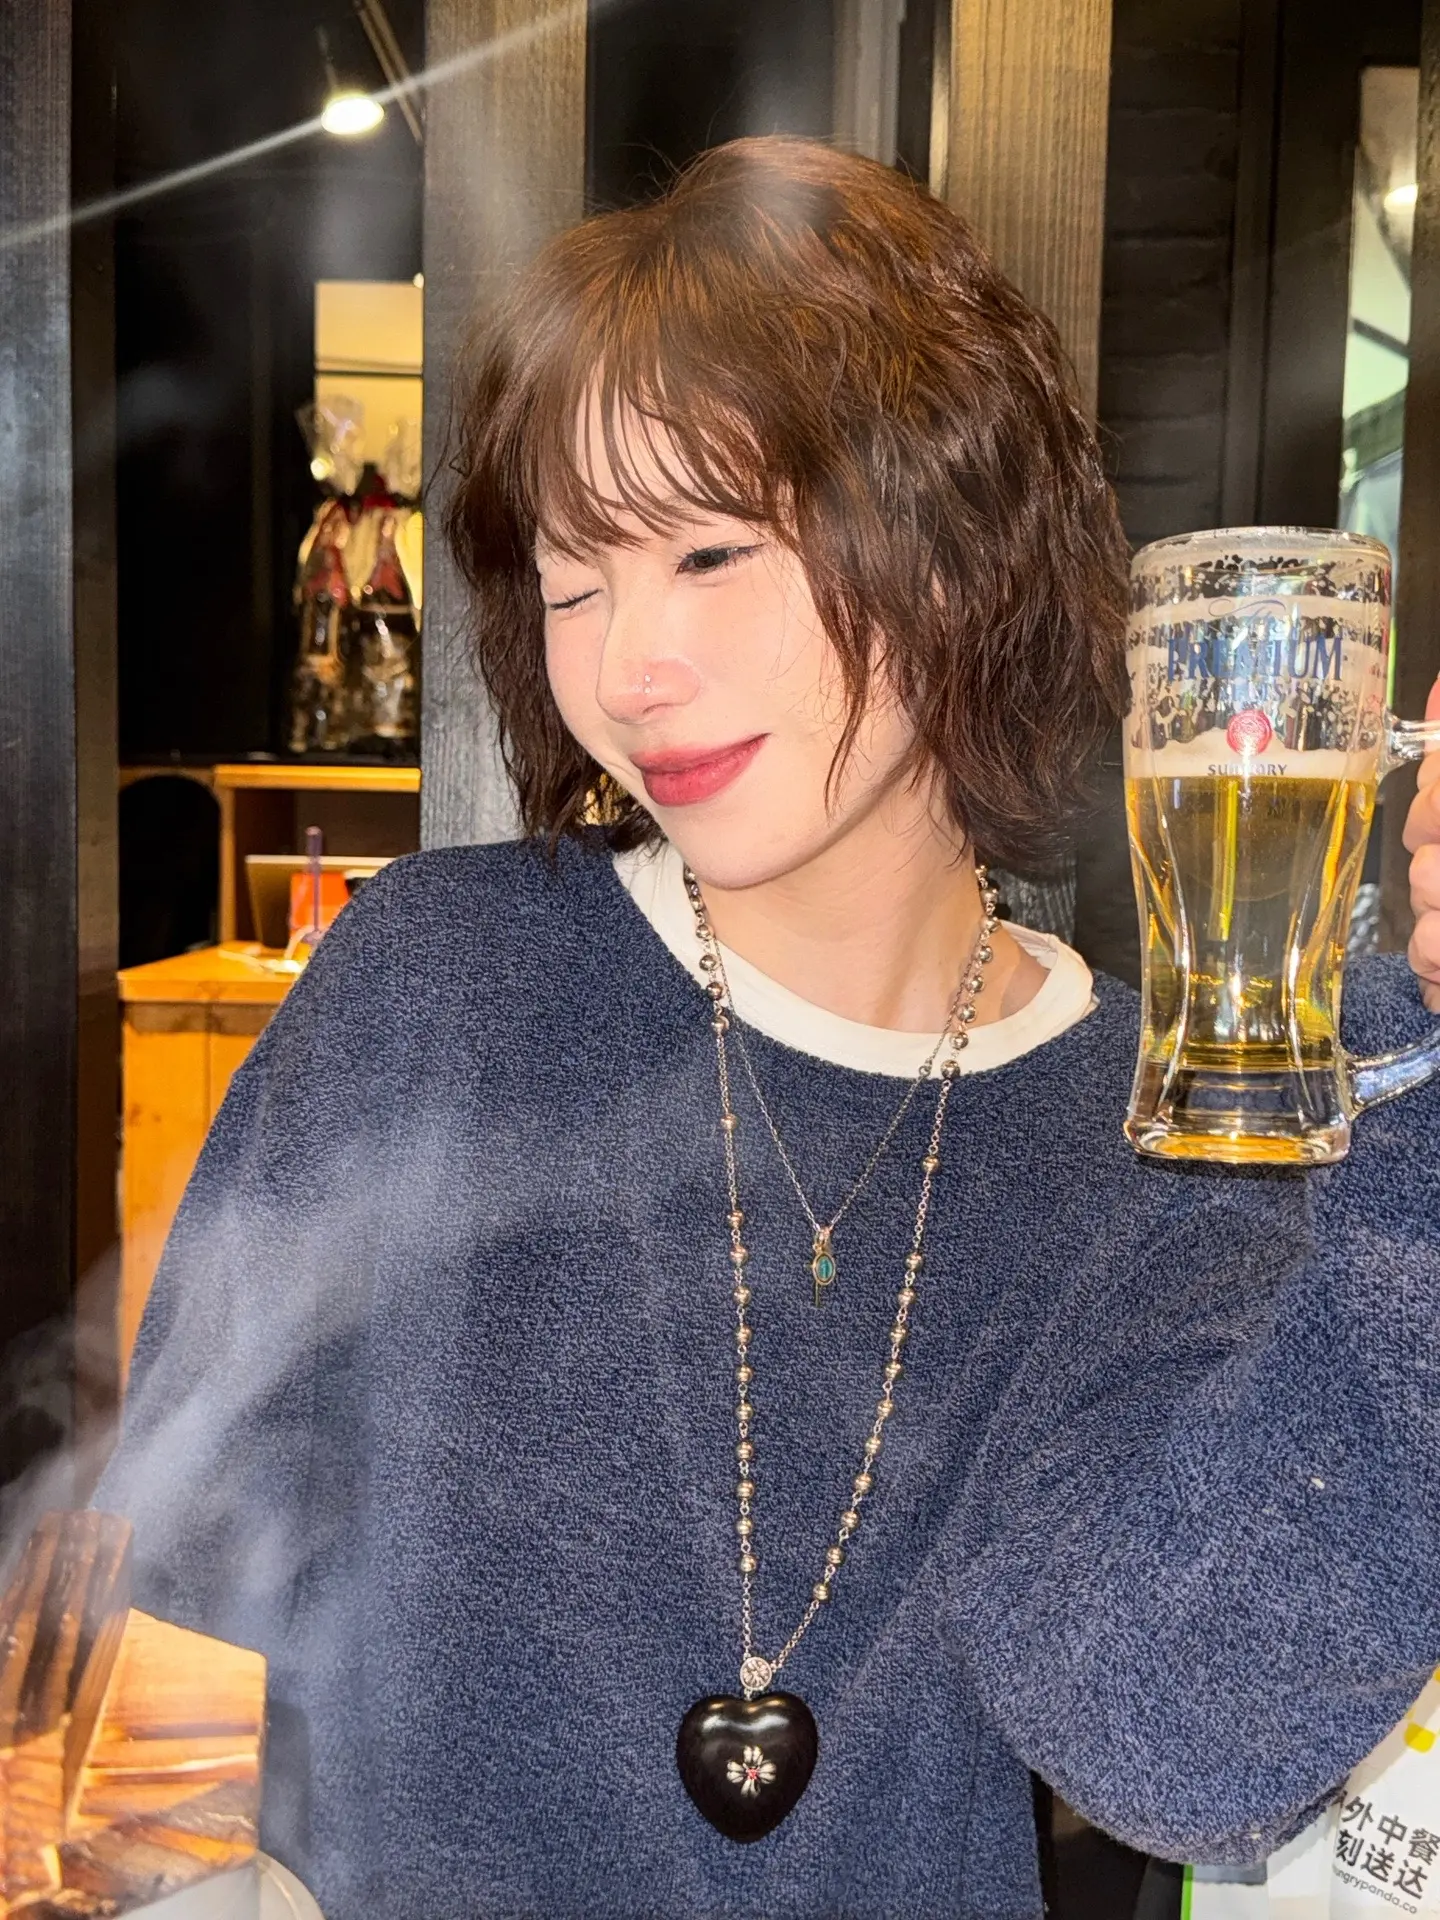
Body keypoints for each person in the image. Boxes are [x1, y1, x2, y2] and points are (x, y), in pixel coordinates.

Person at [99, 138, 1440, 1920]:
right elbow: (174, 1593)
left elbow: (1176, 1742)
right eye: (574, 583)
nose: (626, 667)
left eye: (711, 550)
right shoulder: (439, 986)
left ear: (953, 543)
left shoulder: (1155, 1126)